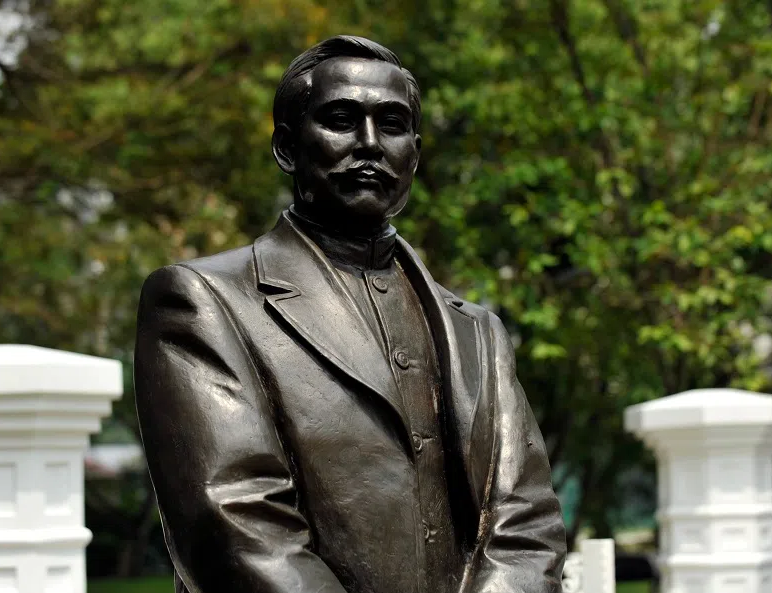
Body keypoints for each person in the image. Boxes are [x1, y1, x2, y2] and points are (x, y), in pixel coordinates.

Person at [134, 35, 567, 593]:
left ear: (415, 149)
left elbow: (527, 525)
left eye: (391, 124)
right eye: (342, 120)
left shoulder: (477, 333)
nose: (369, 143)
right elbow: (236, 528)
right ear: (288, 147)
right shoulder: (204, 302)